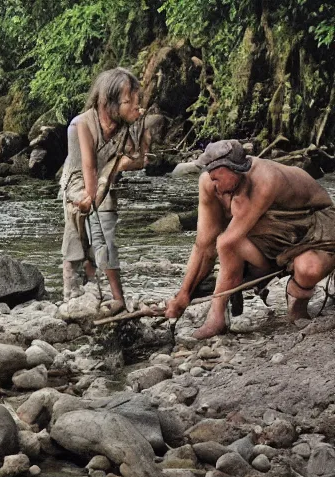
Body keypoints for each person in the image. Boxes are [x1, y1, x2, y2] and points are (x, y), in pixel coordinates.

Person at [166, 139, 335, 339]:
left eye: (216, 178)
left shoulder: (265, 179)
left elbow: (226, 241)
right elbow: (204, 245)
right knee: (230, 243)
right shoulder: (210, 182)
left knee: (309, 269)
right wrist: (183, 294)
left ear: (235, 170)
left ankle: (296, 298)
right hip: (270, 232)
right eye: (209, 176)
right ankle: (217, 318)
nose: (212, 183)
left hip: (314, 221)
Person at [59, 67, 149, 313]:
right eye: (128, 101)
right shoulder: (81, 125)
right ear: (106, 102)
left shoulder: (124, 126)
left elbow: (140, 159)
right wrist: (93, 198)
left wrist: (120, 162)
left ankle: (108, 294)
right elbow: (87, 166)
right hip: (78, 183)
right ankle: (72, 293)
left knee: (102, 236)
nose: (135, 106)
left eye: (135, 100)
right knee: (79, 234)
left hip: (105, 178)